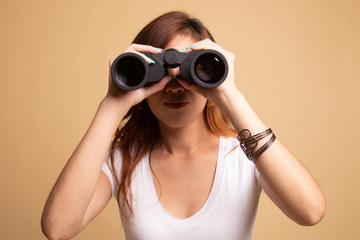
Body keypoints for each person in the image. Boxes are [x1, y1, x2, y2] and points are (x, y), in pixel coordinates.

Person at [41, 11, 326, 240]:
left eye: (194, 70)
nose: (175, 87)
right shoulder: (124, 162)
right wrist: (112, 105)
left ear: (213, 76)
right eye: (160, 73)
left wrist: (230, 96)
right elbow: (57, 228)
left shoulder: (244, 158)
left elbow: (310, 212)